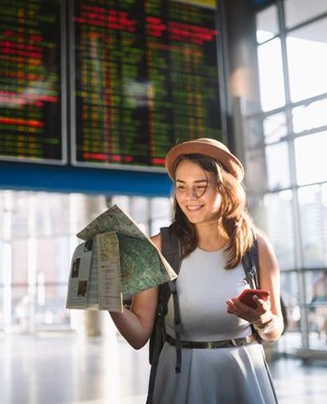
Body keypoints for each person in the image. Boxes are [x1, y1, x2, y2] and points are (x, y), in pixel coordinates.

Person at [109, 138, 284, 403]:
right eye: (181, 187)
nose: (189, 197)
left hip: (245, 376)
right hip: (182, 380)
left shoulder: (256, 247)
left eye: (200, 187)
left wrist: (263, 320)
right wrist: (108, 298)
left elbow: (274, 330)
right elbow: (138, 335)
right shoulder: (158, 248)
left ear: (226, 189)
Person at [311, 269, 327, 344]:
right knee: (323, 321)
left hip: (324, 304)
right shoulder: (319, 282)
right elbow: (316, 293)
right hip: (320, 304)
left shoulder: (325, 283)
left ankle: (323, 334)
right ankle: (324, 336)